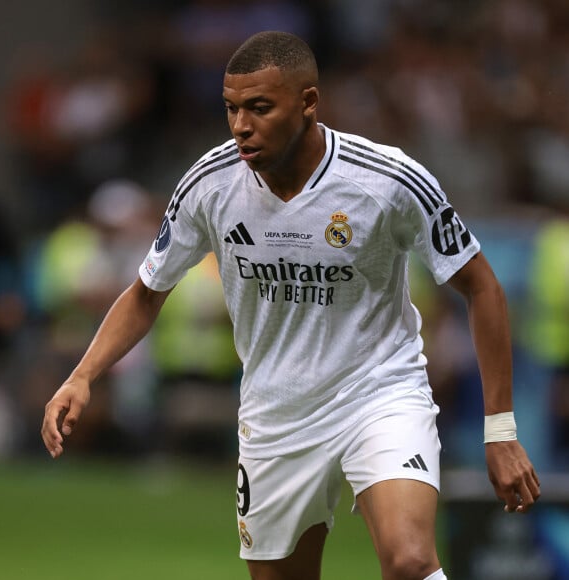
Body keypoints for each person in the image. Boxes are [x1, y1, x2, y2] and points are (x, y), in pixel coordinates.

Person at [42, 31, 540, 580]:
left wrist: (501, 431)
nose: (240, 126)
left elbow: (482, 286)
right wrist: (82, 376)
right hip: (275, 416)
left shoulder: (388, 180)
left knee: (410, 561)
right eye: (231, 109)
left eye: (260, 108)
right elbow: (146, 292)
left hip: (377, 392)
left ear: (308, 103)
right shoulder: (209, 185)